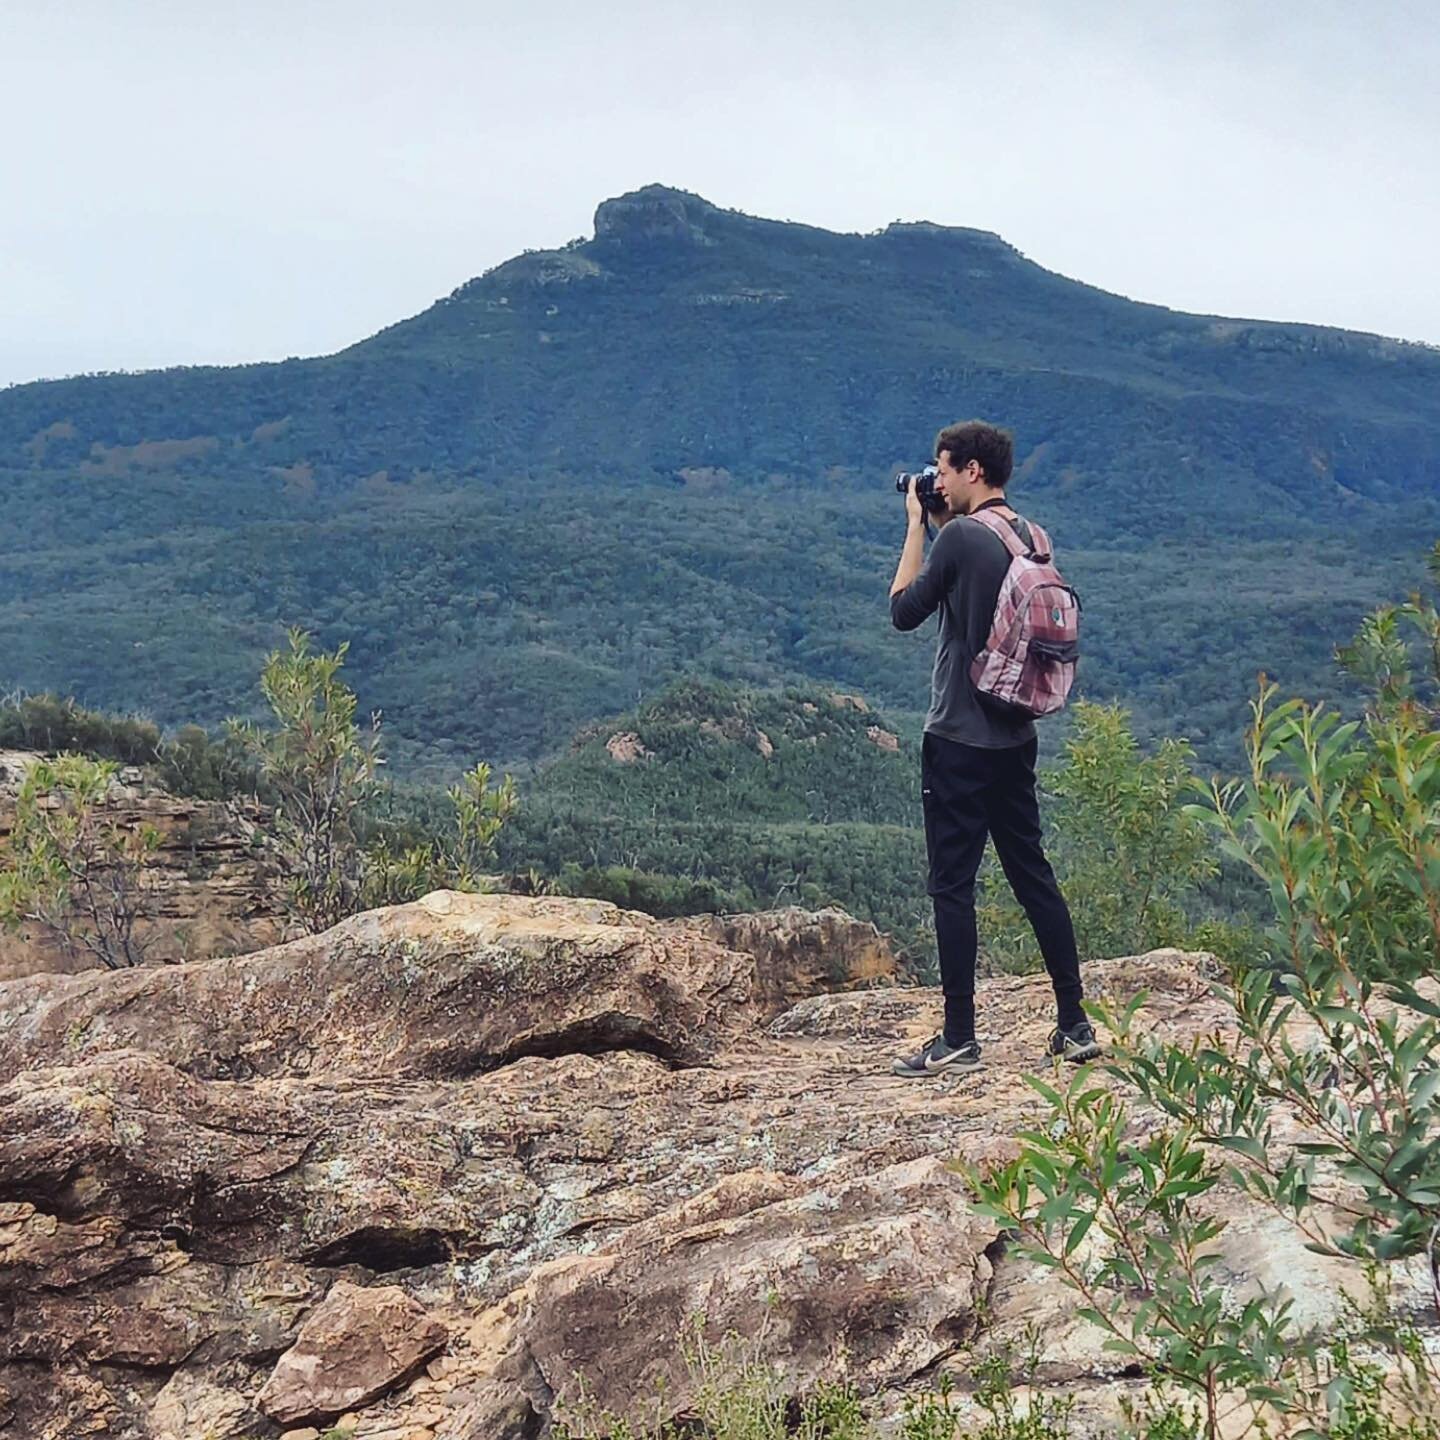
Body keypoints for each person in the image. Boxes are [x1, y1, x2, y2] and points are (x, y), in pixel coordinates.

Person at [887, 419, 1097, 1078]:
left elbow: (901, 610)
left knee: (952, 885)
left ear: (972, 471)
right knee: (1032, 874)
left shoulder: (957, 540)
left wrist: (918, 523)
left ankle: (958, 1037)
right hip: (1017, 736)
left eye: (943, 469)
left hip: (958, 736)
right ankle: (1075, 1023)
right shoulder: (1031, 537)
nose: (936, 479)